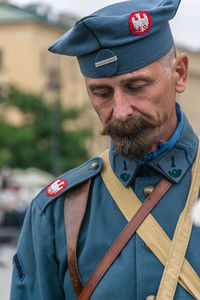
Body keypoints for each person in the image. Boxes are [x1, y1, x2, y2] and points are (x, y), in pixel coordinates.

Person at [10, 0, 200, 299]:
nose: (120, 111)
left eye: (136, 86)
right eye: (101, 93)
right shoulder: (55, 212)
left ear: (179, 74)